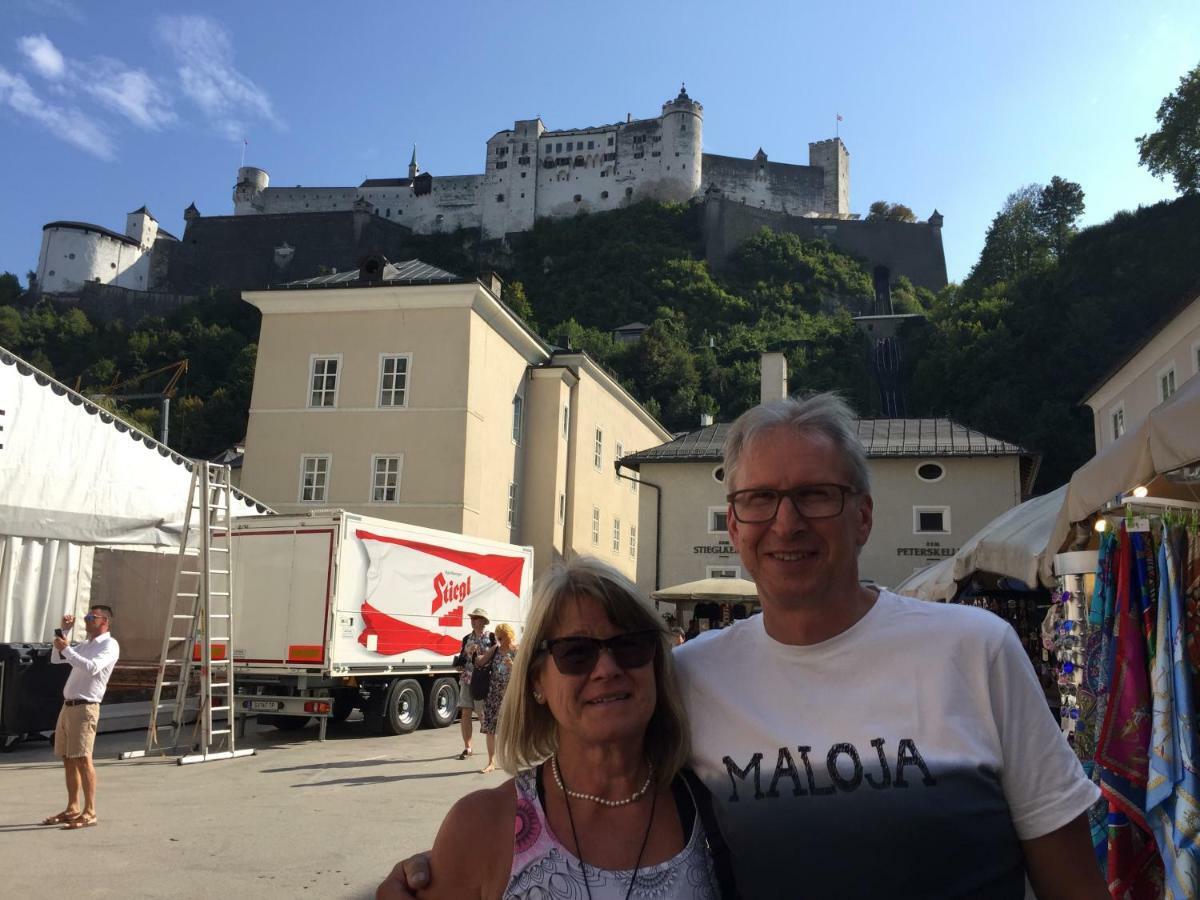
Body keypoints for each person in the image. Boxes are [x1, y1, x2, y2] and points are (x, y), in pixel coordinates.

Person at [381, 393, 1106, 898]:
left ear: (863, 516)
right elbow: (593, 800)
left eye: (816, 495)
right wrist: (451, 864)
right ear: (733, 525)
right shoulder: (690, 677)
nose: (785, 523)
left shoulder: (975, 651)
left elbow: (1072, 880)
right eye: (759, 499)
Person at [387, 557, 719, 898]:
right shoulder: (482, 827)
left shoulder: (714, 810)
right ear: (537, 682)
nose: (607, 668)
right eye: (576, 652)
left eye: (629, 645)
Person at [42, 605, 120, 831]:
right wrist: (63, 634)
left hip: (86, 707)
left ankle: (90, 811)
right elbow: (57, 659)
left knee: (83, 758)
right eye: (86, 617)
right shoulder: (86, 645)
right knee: (68, 757)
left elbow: (92, 667)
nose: (85, 620)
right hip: (69, 706)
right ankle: (72, 807)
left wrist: (67, 649)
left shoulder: (109, 645)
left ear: (104, 621)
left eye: (90, 617)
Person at [475, 622, 518, 773]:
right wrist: (473, 653)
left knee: (511, 729)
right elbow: (480, 662)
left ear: (509, 636)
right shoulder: (495, 650)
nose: (499, 640)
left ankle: (511, 760)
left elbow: (525, 673)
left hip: (510, 696)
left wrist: (513, 665)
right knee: (490, 729)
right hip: (493, 694)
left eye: (502, 637)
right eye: (498, 637)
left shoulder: (516, 651)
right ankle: (491, 762)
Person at [455, 608, 494, 761]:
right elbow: (462, 659)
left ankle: (492, 749)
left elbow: (495, 658)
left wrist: (481, 657)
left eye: (476, 618)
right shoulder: (466, 639)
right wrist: (460, 664)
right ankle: (468, 747)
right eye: (471, 618)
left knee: (482, 714)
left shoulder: (491, 637)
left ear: (483, 621)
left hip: (483, 681)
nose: (472, 621)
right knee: (465, 712)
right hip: (467, 679)